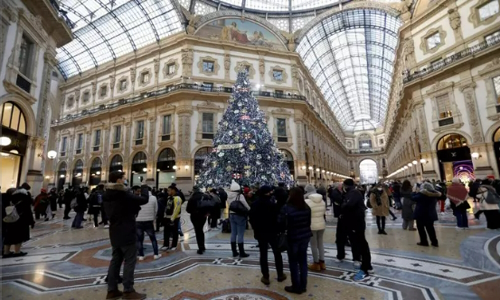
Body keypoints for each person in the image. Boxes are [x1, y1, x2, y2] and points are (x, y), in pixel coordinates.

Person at [103, 171, 149, 300]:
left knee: (115, 260)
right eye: (123, 178)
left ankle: (111, 290)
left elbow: (121, 210)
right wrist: (144, 186)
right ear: (118, 181)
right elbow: (143, 200)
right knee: (129, 261)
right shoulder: (123, 194)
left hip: (114, 232)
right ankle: (128, 291)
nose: (125, 179)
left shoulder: (107, 194)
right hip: (127, 231)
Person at [249, 185, 286, 285]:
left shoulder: (255, 203)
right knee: (277, 253)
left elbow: (252, 219)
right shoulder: (272, 204)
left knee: (263, 254)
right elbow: (277, 218)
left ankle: (265, 276)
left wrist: (255, 230)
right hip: (272, 232)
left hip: (261, 232)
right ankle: (280, 274)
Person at [278, 187, 312, 294]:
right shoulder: (306, 207)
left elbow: (280, 223)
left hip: (293, 238)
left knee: (293, 262)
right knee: (303, 261)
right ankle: (303, 285)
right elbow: (308, 222)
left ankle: (296, 286)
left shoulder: (287, 208)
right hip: (305, 237)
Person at [341, 179, 372, 281]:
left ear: (346, 185)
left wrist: (344, 205)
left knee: (361, 242)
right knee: (356, 242)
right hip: (354, 221)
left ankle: (366, 265)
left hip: (356, 222)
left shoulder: (353, 193)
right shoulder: (352, 192)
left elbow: (348, 205)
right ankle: (361, 262)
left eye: (344, 185)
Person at [3, 183, 34, 258]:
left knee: (9, 235)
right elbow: (28, 211)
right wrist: (31, 221)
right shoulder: (25, 198)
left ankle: (6, 252)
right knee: (19, 235)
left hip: (11, 219)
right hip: (21, 220)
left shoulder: (11, 197)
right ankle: (17, 251)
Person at [133, 186, 160, 260]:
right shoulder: (154, 198)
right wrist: (153, 218)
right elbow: (156, 210)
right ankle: (156, 254)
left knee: (139, 239)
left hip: (138, 221)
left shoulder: (137, 198)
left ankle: (141, 255)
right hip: (149, 221)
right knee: (153, 238)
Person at [227, 180, 251, 258]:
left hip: (231, 215)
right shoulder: (240, 196)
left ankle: (234, 251)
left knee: (233, 233)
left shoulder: (229, 196)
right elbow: (246, 206)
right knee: (240, 234)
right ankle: (241, 252)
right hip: (240, 215)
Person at [412, 182, 440, 247]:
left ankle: (424, 241)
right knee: (431, 229)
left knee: (421, 229)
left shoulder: (422, 195)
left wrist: (413, 191)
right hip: (430, 214)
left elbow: (413, 198)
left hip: (421, 214)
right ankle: (434, 242)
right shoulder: (434, 195)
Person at [305, 193, 326, 272]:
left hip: (312, 225)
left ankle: (316, 263)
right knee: (320, 243)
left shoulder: (307, 202)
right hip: (322, 224)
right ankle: (322, 262)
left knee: (313, 245)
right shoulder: (322, 201)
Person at [186, 186, 208, 254]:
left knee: (198, 231)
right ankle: (203, 246)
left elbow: (188, 210)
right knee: (201, 230)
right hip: (203, 216)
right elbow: (210, 205)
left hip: (195, 216)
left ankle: (200, 248)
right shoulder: (205, 196)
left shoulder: (192, 198)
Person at [161, 186, 182, 251]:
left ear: (173, 190)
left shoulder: (177, 198)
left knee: (174, 232)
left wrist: (172, 218)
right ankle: (166, 244)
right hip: (167, 217)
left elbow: (177, 209)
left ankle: (174, 245)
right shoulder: (169, 198)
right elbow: (167, 207)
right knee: (166, 231)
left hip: (174, 218)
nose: (168, 192)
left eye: (169, 190)